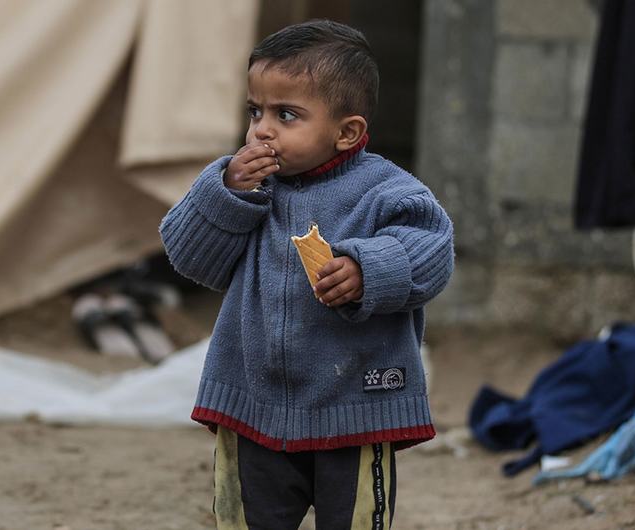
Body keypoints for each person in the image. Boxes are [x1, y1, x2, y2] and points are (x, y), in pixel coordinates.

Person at [159, 19, 454, 529]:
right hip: (253, 405)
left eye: (287, 114)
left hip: (357, 406)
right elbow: (189, 258)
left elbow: (432, 251)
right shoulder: (248, 188)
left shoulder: (388, 191)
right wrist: (226, 192)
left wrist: (369, 269)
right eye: (256, 111)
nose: (262, 129)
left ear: (347, 133)